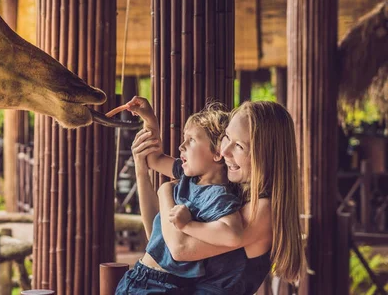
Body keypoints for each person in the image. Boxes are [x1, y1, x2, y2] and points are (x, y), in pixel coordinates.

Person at [115, 97, 303, 294]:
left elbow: (179, 248)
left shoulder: (262, 210)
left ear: (266, 154)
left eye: (239, 146)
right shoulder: (230, 187)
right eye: (227, 137)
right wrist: (141, 170)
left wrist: (165, 191)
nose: (225, 151)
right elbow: (159, 240)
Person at [114, 99, 245, 294]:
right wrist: (150, 120)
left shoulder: (217, 196)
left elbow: (233, 233)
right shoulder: (187, 176)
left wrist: (188, 225)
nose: (181, 146)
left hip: (162, 285)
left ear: (218, 152)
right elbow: (153, 158)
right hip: (139, 276)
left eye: (191, 140)